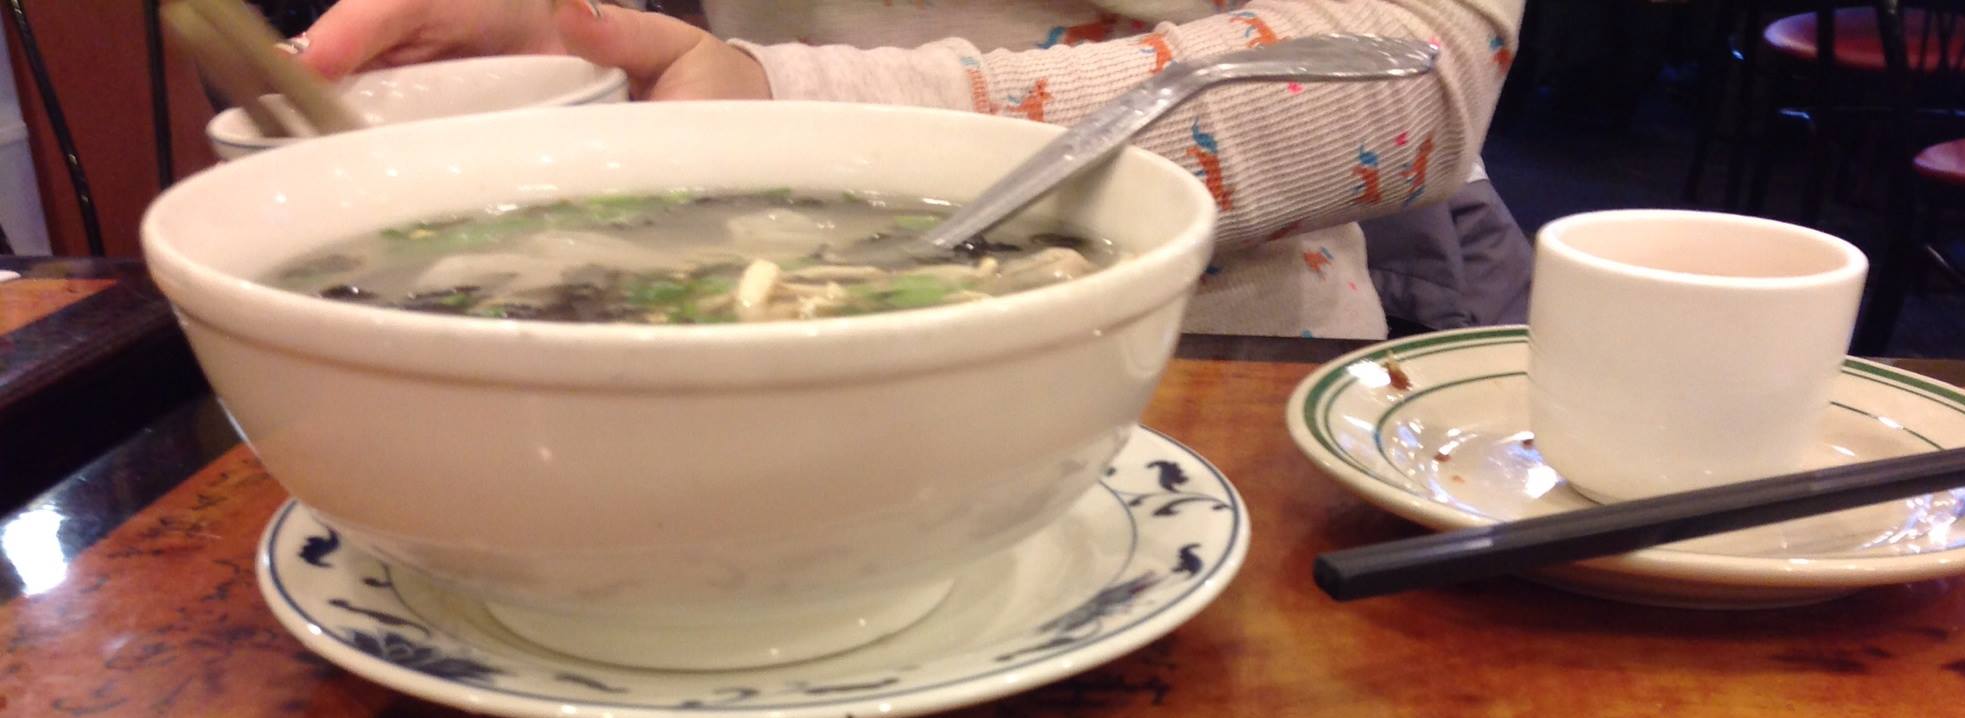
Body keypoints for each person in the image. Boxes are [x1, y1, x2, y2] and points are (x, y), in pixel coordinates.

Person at [294, 0, 1524, 339]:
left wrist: (787, 104)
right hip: (723, 330)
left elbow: (1420, 70)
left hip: (1208, 372)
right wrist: (566, 47)